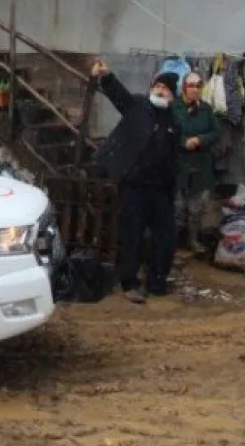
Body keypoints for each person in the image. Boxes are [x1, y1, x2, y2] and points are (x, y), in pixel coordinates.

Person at [90, 60, 182, 304]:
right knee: (132, 235)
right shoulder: (138, 106)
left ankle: (157, 280)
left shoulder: (174, 122)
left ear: (173, 96)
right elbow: (118, 95)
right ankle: (129, 281)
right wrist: (107, 76)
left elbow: (174, 156)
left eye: (166, 89)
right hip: (133, 185)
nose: (160, 91)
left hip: (161, 189)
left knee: (166, 236)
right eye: (158, 86)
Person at [172, 72, 220, 256]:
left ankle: (192, 240)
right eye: (191, 85)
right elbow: (167, 132)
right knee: (176, 206)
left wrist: (200, 139)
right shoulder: (174, 107)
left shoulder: (206, 109)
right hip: (178, 164)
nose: (195, 89)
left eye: (198, 86)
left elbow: (216, 132)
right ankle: (172, 244)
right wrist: (183, 142)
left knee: (195, 208)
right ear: (184, 87)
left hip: (200, 166)